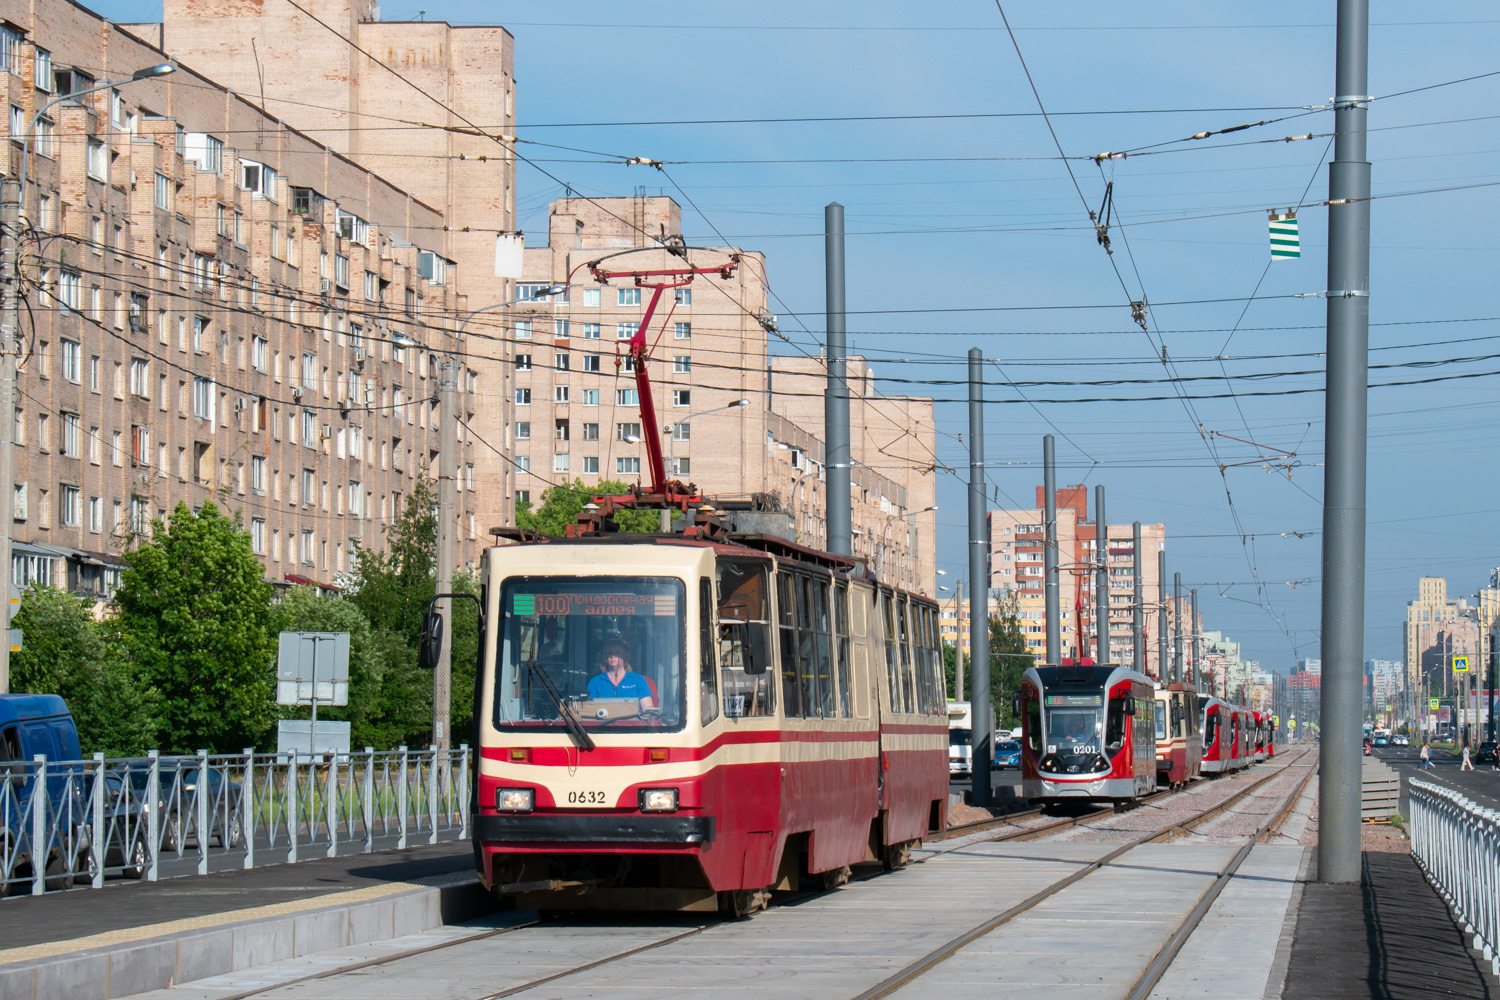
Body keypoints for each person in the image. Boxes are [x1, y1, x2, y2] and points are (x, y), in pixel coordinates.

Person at [585, 640, 656, 710]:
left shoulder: (638, 680)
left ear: (624, 656)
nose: (612, 656)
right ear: (605, 658)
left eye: (617, 653)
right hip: (603, 722)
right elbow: (589, 710)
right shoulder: (595, 682)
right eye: (609, 653)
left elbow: (648, 710)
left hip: (632, 721)